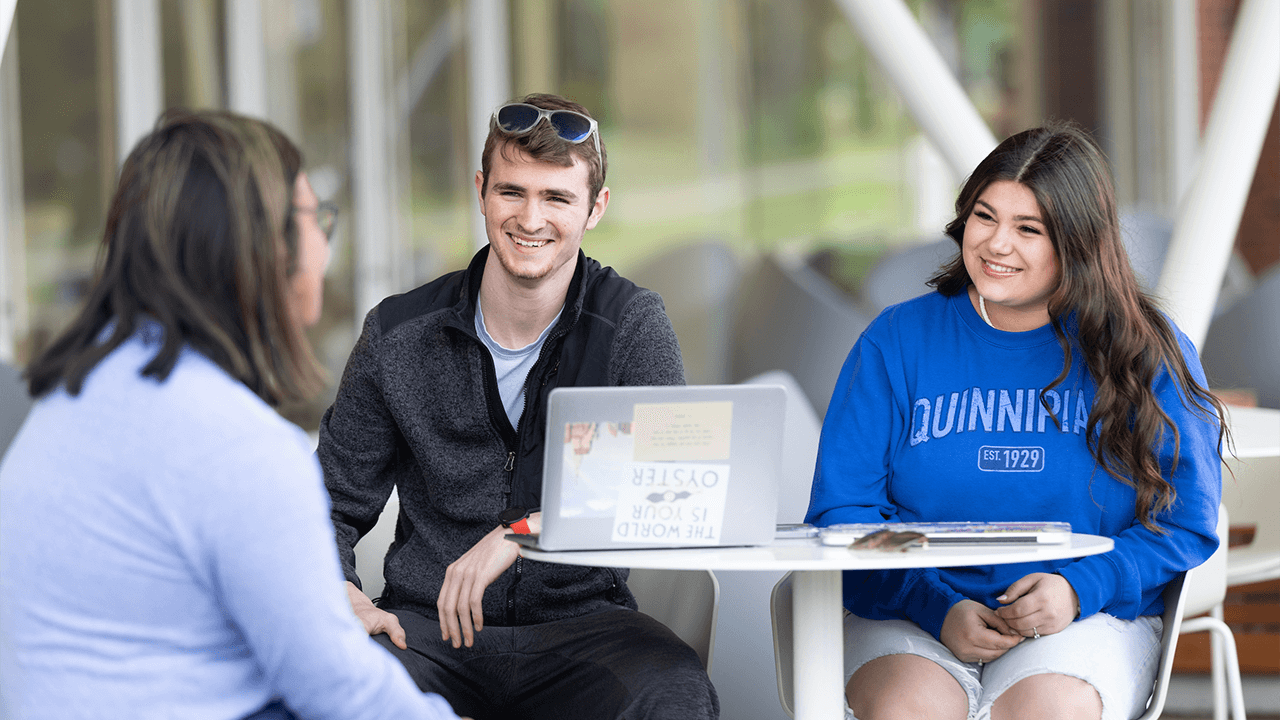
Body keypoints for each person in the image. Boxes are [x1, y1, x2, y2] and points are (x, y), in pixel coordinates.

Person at [0, 110, 460, 720]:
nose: (326, 245)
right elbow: (341, 693)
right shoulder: (237, 446)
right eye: (316, 218)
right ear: (261, 246)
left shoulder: (69, 403)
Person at [805, 122, 1227, 720]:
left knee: (1042, 712)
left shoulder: (1145, 351)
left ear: (1079, 244)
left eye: (1029, 229)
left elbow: (1186, 521)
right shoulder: (897, 340)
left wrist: (1081, 587)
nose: (997, 244)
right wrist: (933, 605)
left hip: (1089, 615)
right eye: (985, 217)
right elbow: (843, 513)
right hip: (912, 615)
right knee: (906, 711)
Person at [318, 93, 718, 720]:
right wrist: (340, 591)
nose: (530, 218)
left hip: (586, 627)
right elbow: (328, 503)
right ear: (481, 191)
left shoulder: (631, 325)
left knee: (675, 693)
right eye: (512, 192)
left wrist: (522, 531)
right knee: (337, 687)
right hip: (428, 632)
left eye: (556, 198)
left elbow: (671, 491)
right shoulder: (397, 334)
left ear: (595, 208)